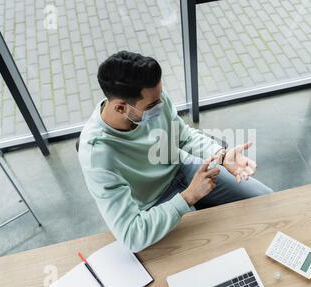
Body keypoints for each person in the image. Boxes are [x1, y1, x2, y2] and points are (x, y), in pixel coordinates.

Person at [79, 51, 273, 253]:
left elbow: (184, 137)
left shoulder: (155, 99)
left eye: (160, 96)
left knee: (266, 202)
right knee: (210, 248)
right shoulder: (96, 155)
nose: (161, 105)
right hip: (154, 202)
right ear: (120, 108)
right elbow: (131, 235)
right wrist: (188, 197)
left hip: (183, 167)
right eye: (153, 104)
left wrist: (221, 156)